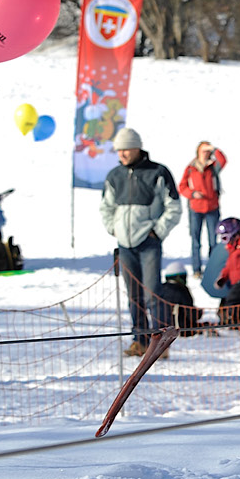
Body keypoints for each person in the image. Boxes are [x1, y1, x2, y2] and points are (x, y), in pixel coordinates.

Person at [100, 127, 183, 356]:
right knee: (133, 296)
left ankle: (159, 345)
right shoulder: (114, 176)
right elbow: (106, 208)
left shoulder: (158, 172)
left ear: (137, 148)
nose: (122, 154)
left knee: (152, 294)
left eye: (126, 149)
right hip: (125, 245)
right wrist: (113, 228)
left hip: (148, 244)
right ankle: (140, 340)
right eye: (119, 150)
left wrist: (157, 232)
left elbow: (174, 206)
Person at [178, 141, 228, 272]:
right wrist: (193, 194)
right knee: (196, 242)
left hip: (212, 208)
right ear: (198, 152)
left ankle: (212, 269)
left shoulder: (213, 167)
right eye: (203, 151)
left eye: (207, 151)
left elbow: (223, 160)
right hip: (195, 208)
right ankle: (196, 269)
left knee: (213, 241)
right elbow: (182, 187)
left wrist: (214, 148)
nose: (206, 154)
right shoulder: (190, 168)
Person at [158, 260, 203, 336]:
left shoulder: (160, 289)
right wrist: (199, 313)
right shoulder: (182, 290)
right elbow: (191, 314)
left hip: (162, 327)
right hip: (182, 329)